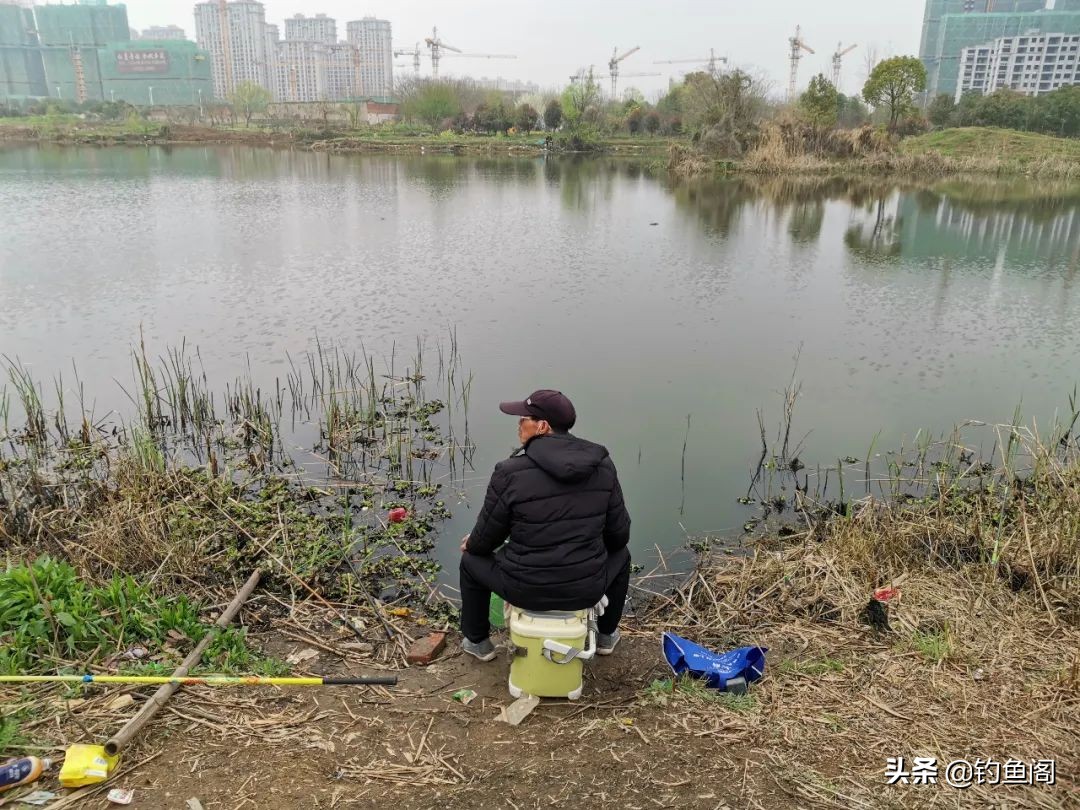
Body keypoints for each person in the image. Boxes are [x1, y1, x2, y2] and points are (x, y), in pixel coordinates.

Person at [458, 389, 631, 661]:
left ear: (542, 426)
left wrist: (473, 543)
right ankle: (606, 636)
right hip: (586, 588)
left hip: (524, 589)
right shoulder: (603, 466)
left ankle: (477, 642)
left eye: (523, 418)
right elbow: (619, 537)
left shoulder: (509, 472)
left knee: (471, 561)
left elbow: (485, 542)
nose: (518, 424)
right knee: (622, 556)